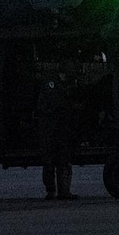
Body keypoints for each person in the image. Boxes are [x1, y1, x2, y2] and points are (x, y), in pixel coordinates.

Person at [37, 63, 76, 199]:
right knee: (53, 161)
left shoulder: (56, 84)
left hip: (57, 129)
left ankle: (58, 190)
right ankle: (56, 190)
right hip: (54, 128)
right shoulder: (53, 85)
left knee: (59, 160)